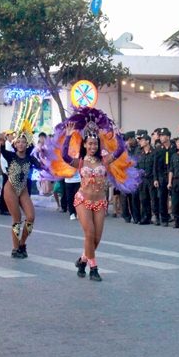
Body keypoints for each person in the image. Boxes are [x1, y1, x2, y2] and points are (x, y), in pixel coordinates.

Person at [39, 107, 141, 280]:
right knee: (90, 234)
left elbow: (119, 150)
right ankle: (93, 269)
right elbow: (64, 155)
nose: (93, 146)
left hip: (100, 202)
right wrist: (70, 135)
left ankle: (83, 260)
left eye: (95, 144)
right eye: (90, 144)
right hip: (82, 201)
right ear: (84, 145)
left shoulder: (105, 160)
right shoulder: (79, 161)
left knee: (97, 238)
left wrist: (117, 135)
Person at [0, 122, 42, 259]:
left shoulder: (30, 159)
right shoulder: (11, 156)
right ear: (16, 144)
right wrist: (2, 140)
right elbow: (3, 150)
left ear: (27, 144)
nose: (21, 144)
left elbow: (42, 167)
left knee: (30, 218)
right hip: (10, 189)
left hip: (23, 191)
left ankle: (22, 243)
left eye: (24, 142)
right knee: (17, 220)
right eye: (19, 142)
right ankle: (15, 248)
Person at [153, 128, 176, 226]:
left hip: (173, 176)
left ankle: (177, 217)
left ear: (168, 137)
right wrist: (155, 178)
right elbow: (155, 165)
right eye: (160, 136)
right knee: (162, 197)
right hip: (162, 176)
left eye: (163, 136)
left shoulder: (174, 147)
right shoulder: (158, 149)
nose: (161, 137)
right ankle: (164, 218)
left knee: (174, 197)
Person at [136, 130, 157, 225]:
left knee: (154, 198)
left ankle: (157, 216)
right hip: (142, 179)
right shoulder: (140, 153)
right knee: (144, 199)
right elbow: (137, 167)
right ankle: (146, 217)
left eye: (143, 140)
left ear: (148, 141)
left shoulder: (154, 152)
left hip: (151, 178)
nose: (141, 141)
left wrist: (156, 179)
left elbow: (156, 167)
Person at [120, 131, 141, 224]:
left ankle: (135, 216)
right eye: (133, 138)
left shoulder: (135, 148)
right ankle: (126, 216)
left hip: (133, 176)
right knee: (124, 198)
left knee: (134, 197)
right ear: (129, 139)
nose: (134, 140)